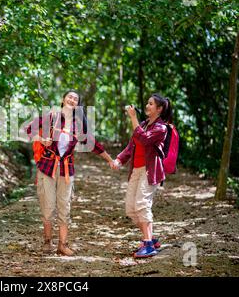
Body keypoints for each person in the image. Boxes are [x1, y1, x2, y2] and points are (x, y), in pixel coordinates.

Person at [26, 90, 117, 256]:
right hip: (47, 168)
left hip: (66, 170)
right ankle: (47, 241)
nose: (72, 100)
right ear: (63, 99)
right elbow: (29, 129)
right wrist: (41, 139)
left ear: (77, 105)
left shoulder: (78, 124)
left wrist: (109, 159)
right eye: (70, 97)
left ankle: (63, 244)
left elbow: (93, 144)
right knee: (48, 208)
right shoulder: (51, 116)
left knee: (64, 208)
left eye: (76, 99)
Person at [114, 93, 172, 258]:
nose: (147, 106)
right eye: (147, 103)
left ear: (159, 109)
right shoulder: (144, 124)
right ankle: (152, 239)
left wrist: (133, 119)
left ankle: (147, 244)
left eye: (151, 104)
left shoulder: (161, 128)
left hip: (150, 170)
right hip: (136, 170)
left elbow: (144, 140)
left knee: (142, 204)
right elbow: (131, 146)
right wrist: (119, 160)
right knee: (131, 209)